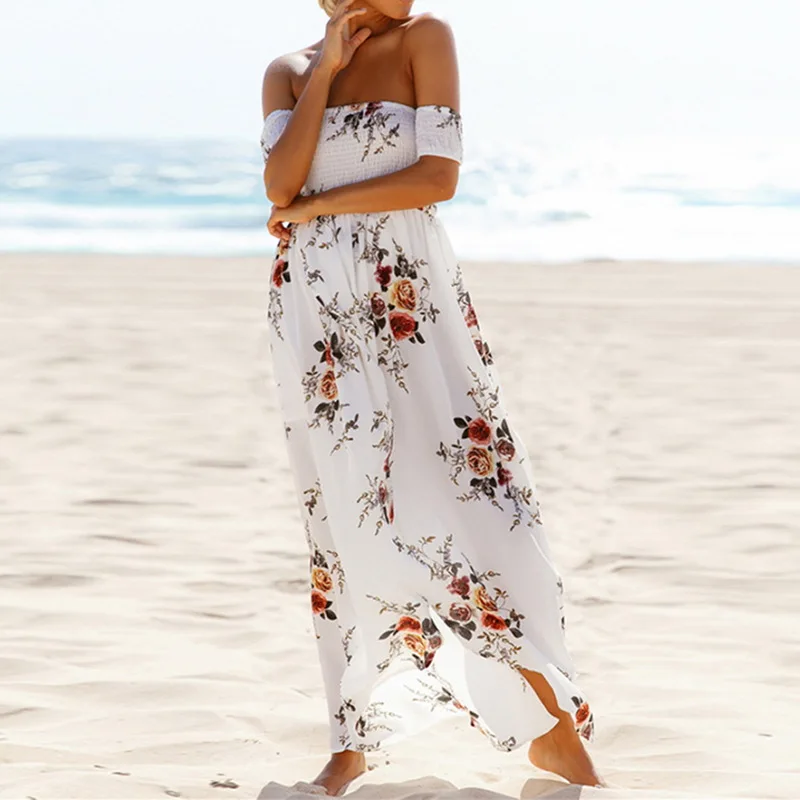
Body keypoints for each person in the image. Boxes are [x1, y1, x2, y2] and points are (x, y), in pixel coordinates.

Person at [259, 0, 605, 794]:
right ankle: (353, 740)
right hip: (318, 310)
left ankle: (553, 727)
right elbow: (278, 180)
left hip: (410, 297)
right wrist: (328, 73)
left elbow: (435, 178)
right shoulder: (290, 71)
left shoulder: (427, 39)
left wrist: (314, 207)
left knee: (479, 501)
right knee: (347, 518)